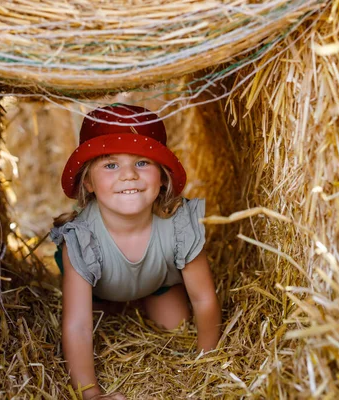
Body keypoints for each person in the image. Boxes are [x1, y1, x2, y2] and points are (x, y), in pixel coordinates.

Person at [51, 104, 221, 400]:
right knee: (97, 322)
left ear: (163, 176)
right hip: (100, 288)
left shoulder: (179, 224)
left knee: (177, 324)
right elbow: (78, 326)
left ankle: (140, 298)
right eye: (111, 165)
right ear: (88, 182)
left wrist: (208, 365)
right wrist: (90, 394)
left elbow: (204, 298)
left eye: (142, 163)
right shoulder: (82, 238)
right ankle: (114, 304)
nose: (129, 175)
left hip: (155, 283)